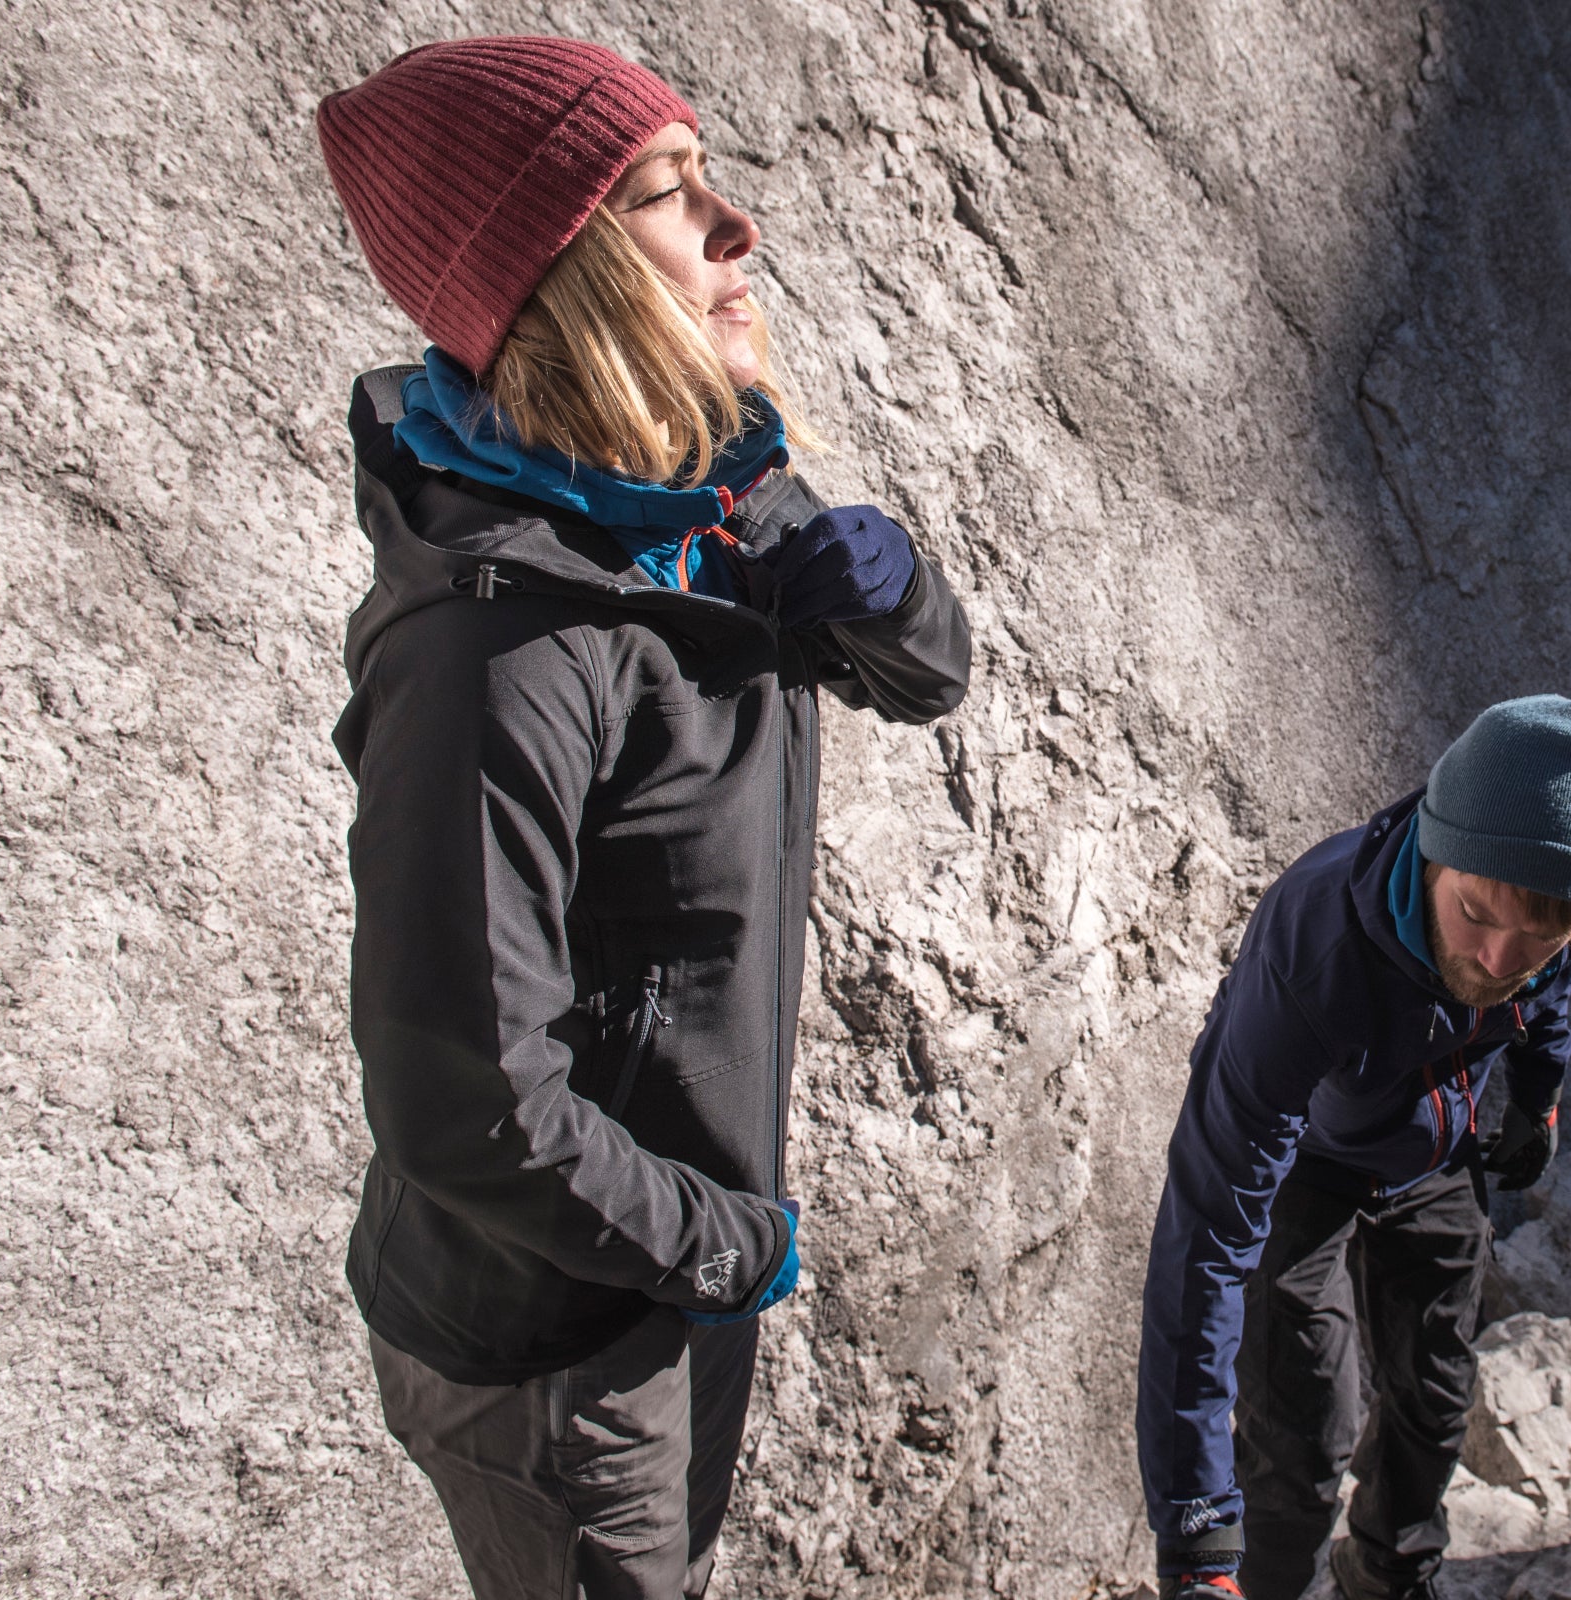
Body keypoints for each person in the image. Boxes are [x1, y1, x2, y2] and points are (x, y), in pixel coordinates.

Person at [313, 36, 970, 1599]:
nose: (740, 230)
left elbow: (925, 673)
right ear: (576, 281)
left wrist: (893, 586)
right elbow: (473, 1106)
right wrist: (730, 1250)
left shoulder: (692, 492)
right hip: (558, 1341)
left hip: (654, 1267)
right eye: (677, 200)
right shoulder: (499, 646)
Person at [1137, 696, 1571, 1600]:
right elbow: (1203, 1244)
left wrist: (1537, 1101)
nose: (1492, 958)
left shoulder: (1552, 897)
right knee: (1303, 1429)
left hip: (1433, 1150)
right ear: (1436, 849)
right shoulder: (1313, 952)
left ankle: (1387, 1578)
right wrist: (1195, 1532)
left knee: (1436, 1400)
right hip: (1305, 1166)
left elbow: (1545, 994)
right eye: (1474, 913)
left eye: (1537, 938)